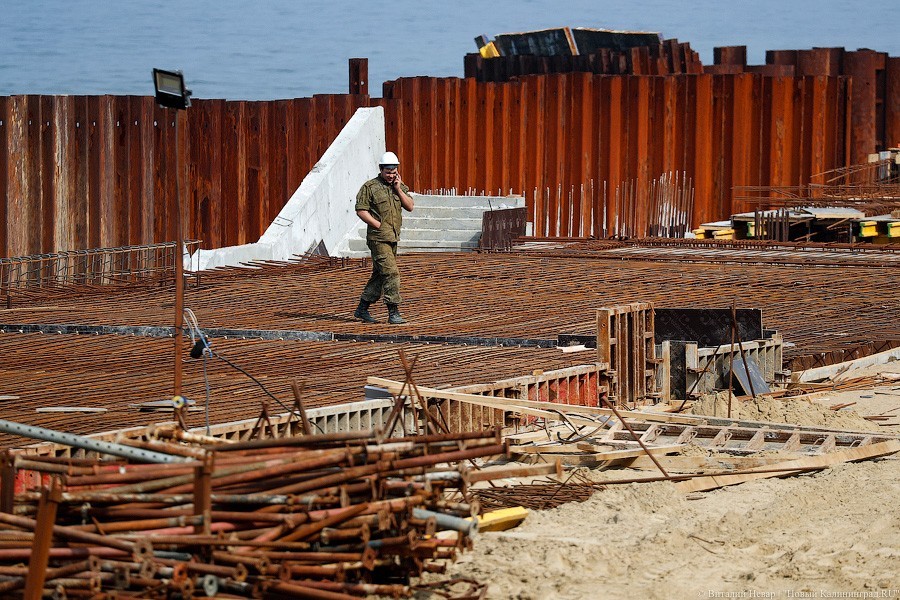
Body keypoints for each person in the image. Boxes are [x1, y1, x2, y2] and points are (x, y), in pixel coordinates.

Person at [353, 151, 415, 324]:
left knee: (380, 275)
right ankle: (393, 312)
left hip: (393, 238)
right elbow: (361, 210)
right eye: (388, 172)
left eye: (394, 172)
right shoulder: (370, 187)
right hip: (378, 238)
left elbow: (410, 206)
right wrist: (377, 224)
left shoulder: (398, 185)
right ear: (381, 170)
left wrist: (397, 188)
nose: (391, 175)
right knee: (391, 273)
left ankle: (362, 309)